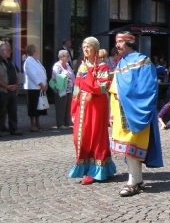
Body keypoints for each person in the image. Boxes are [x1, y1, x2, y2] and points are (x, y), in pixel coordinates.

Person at [109, 32, 163, 197]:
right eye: (116, 43)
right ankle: (137, 180)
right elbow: (114, 88)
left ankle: (132, 182)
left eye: (119, 43)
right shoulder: (121, 63)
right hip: (121, 111)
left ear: (128, 43)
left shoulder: (143, 61)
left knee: (132, 145)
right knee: (128, 148)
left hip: (136, 110)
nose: (117, 46)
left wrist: (127, 96)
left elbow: (148, 87)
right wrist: (112, 111)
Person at [68, 37, 116, 185]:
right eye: (84, 46)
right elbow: (76, 89)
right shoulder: (82, 66)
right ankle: (86, 166)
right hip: (82, 106)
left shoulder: (102, 67)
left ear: (95, 49)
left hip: (96, 106)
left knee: (95, 136)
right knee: (78, 138)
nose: (86, 49)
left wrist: (85, 75)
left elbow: (100, 88)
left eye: (88, 46)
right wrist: (74, 110)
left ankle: (95, 170)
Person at [0, 41, 22, 137]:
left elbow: (17, 74)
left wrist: (16, 84)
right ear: (2, 51)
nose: (10, 51)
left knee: (13, 111)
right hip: (2, 90)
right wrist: (7, 86)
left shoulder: (10, 61)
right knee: (0, 111)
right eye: (8, 50)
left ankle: (14, 129)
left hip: (13, 90)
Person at [23, 44, 48, 132]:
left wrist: (45, 83)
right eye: (37, 49)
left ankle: (38, 124)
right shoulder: (29, 61)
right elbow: (33, 75)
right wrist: (41, 85)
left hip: (40, 88)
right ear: (33, 51)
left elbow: (42, 73)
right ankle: (33, 125)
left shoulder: (36, 61)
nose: (38, 51)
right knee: (33, 106)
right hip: (32, 88)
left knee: (39, 106)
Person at [51, 49, 75, 130]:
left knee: (68, 106)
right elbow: (54, 77)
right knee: (61, 106)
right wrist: (64, 78)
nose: (68, 57)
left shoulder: (67, 65)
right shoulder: (57, 66)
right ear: (62, 57)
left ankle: (67, 123)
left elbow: (71, 74)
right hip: (61, 90)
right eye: (67, 56)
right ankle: (60, 124)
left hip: (69, 89)